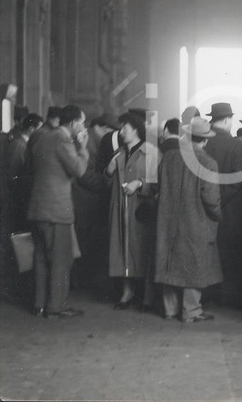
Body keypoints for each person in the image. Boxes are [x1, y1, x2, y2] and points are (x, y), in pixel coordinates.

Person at [154, 117, 222, 323]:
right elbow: (211, 198)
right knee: (194, 262)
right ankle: (191, 311)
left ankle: (170, 309)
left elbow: (159, 187)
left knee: (170, 260)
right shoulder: (208, 162)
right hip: (196, 220)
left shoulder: (168, 157)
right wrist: (218, 214)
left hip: (168, 220)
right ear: (205, 140)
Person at [26, 105, 89, 319]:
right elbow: (78, 170)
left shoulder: (40, 136)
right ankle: (57, 306)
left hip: (37, 207)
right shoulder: (62, 140)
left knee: (42, 258)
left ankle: (39, 305)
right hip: (56, 209)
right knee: (61, 259)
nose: (84, 127)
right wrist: (83, 147)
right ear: (73, 124)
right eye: (82, 122)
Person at [106, 112, 159, 310]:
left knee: (142, 250)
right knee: (123, 250)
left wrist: (140, 183)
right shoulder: (119, 153)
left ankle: (147, 296)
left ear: (136, 129)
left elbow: (159, 182)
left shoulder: (151, 152)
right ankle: (127, 293)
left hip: (140, 211)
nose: (121, 132)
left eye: (125, 128)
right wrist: (109, 170)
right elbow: (106, 183)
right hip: (120, 209)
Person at [203, 102, 242, 302]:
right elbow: (237, 181)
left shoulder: (203, 142)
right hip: (229, 210)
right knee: (229, 253)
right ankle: (227, 296)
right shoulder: (237, 145)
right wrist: (220, 202)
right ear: (228, 120)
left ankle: (206, 295)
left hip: (202, 206)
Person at [72, 113, 119, 290]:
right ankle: (78, 281)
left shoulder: (90, 140)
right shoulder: (88, 143)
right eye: (108, 132)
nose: (110, 137)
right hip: (83, 200)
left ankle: (80, 279)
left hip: (86, 199)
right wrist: (107, 181)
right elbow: (84, 175)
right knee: (82, 240)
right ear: (98, 127)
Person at [0, 113, 43, 299]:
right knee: (16, 246)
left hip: (15, 203)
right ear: (31, 129)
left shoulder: (22, 144)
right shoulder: (19, 145)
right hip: (14, 204)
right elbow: (13, 178)